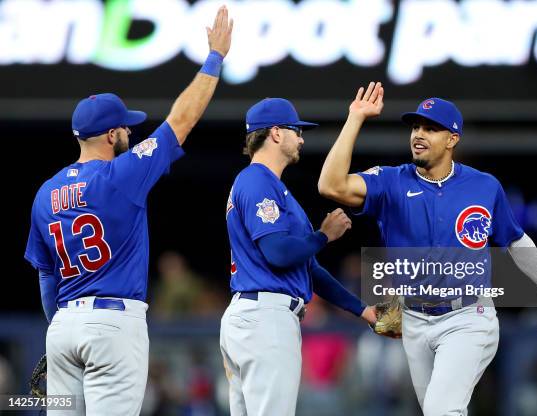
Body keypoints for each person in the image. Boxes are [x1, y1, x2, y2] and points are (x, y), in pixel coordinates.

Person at [23, 6, 233, 415]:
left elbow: (47, 280)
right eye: (126, 128)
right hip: (113, 324)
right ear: (111, 133)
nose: (131, 132)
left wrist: (58, 328)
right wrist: (215, 58)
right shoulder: (121, 175)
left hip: (64, 326)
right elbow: (182, 120)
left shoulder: (46, 193)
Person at [318, 82, 537, 415]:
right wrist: (355, 118)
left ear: (452, 140)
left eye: (432, 128)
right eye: (416, 126)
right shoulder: (392, 182)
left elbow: (515, 241)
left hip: (469, 316)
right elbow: (330, 185)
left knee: (442, 410)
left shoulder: (483, 185)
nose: (419, 134)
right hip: (414, 320)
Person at [221, 97, 377, 416]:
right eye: (296, 130)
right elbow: (278, 253)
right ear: (276, 133)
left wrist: (363, 311)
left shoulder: (272, 188)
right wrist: (324, 235)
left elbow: (311, 270)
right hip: (265, 319)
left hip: (255, 316)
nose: (302, 138)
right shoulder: (257, 181)